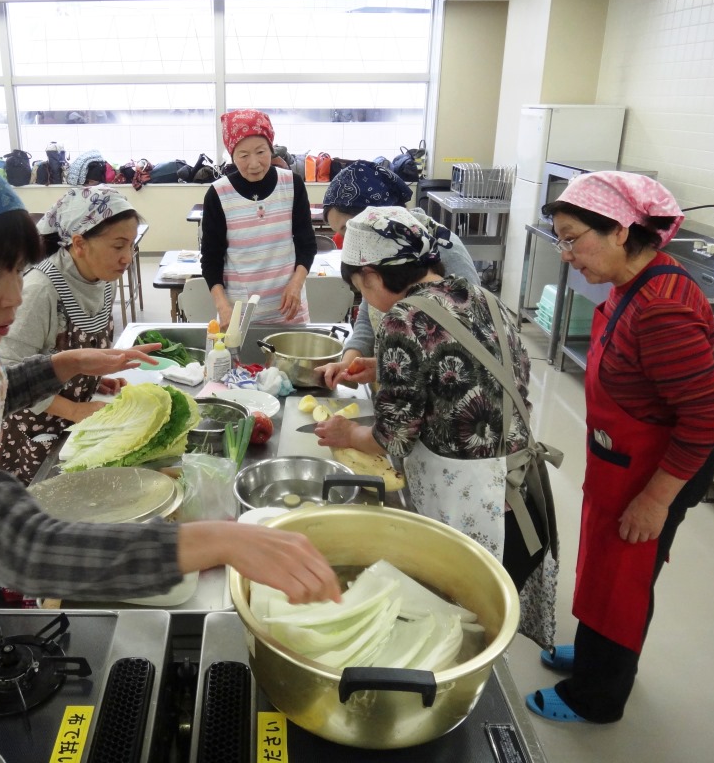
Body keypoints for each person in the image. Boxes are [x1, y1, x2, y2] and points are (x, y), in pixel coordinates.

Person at [0, 155, 341, 713]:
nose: (13, 295)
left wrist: (66, 363)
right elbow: (26, 546)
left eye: (17, 269)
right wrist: (225, 540)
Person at [527, 172, 714, 724]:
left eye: (573, 238)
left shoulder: (662, 308)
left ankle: (598, 697)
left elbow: (706, 418)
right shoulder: (632, 282)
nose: (566, 254)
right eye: (560, 241)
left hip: (657, 467)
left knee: (626, 579)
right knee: (604, 567)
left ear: (620, 231)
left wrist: (656, 500)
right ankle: (596, 656)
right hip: (623, 456)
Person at [313, 205, 559, 646]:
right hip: (519, 487)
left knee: (459, 621)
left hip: (465, 497)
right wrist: (381, 369)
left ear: (370, 274)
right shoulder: (480, 296)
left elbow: (395, 436)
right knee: (491, 600)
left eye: (358, 287)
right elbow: (465, 375)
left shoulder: (401, 319)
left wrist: (347, 435)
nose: (365, 298)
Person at [0, 186, 138, 484]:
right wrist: (74, 408)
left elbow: (72, 356)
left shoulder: (102, 279)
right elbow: (6, 377)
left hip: (72, 428)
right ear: (79, 243)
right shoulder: (41, 291)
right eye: (118, 246)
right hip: (31, 433)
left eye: (132, 245)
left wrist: (92, 376)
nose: (128, 257)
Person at [315, 160, 482, 388]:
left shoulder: (440, 245)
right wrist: (349, 364)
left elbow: (470, 345)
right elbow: (368, 315)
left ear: (374, 216)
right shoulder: (379, 256)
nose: (347, 241)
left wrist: (395, 370)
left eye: (348, 228)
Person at [200, 108, 317, 329]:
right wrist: (222, 307)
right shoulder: (218, 194)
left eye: (261, 152)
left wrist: (296, 284)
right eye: (243, 156)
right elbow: (210, 259)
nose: (254, 163)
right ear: (232, 155)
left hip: (289, 312)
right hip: (238, 313)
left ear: (271, 149)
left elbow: (307, 245)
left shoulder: (292, 184)